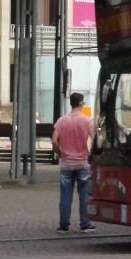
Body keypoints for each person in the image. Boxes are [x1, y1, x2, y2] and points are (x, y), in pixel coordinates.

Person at [52, 91, 95, 233]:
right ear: (81, 103)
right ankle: (85, 224)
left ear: (71, 103)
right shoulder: (87, 120)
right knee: (84, 194)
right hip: (83, 162)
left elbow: (53, 140)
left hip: (66, 163)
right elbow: (94, 139)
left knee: (65, 195)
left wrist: (60, 153)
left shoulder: (62, 120)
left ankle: (63, 225)